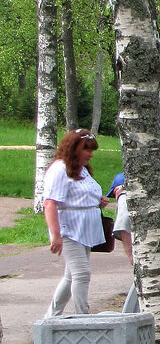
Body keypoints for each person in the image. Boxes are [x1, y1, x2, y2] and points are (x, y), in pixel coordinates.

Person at [42, 128, 110, 316]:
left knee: (71, 276)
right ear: (73, 148)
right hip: (69, 229)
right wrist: (56, 235)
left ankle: (51, 317)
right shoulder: (59, 169)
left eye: (92, 150)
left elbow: (81, 196)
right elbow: (50, 204)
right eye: (86, 149)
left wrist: (99, 201)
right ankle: (82, 317)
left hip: (85, 229)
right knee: (82, 273)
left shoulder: (82, 169)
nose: (90, 154)